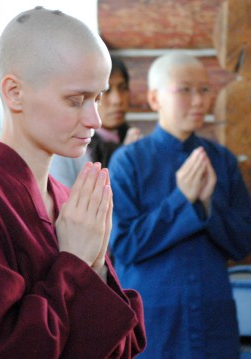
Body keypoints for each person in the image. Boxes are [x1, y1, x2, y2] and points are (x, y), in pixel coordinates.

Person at [0, 7, 146, 358]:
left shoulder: (68, 199)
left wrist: (97, 264)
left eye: (97, 97)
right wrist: (74, 261)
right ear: (14, 93)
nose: (95, 119)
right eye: (75, 100)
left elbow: (123, 345)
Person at [108, 52, 251, 359]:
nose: (199, 100)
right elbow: (123, 245)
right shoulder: (128, 161)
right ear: (154, 98)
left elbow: (242, 243)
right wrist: (181, 199)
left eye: (204, 90)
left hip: (214, 315)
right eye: (185, 89)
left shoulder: (222, 160)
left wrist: (211, 203)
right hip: (155, 321)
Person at [50, 56, 141, 187]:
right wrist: (123, 162)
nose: (117, 100)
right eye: (106, 91)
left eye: (122, 88)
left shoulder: (136, 143)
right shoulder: (66, 151)